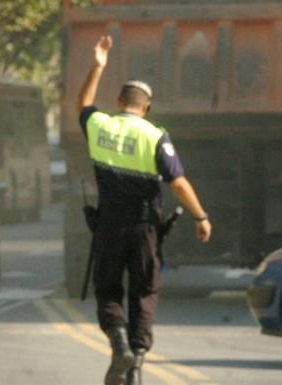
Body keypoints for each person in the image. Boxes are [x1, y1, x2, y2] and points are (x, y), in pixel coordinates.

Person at [77, 36, 212, 385]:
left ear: (118, 101)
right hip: (144, 229)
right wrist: (200, 216)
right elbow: (178, 183)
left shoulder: (100, 126)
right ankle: (135, 362)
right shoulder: (155, 135)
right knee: (144, 292)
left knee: (108, 290)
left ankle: (118, 342)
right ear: (147, 107)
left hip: (108, 226)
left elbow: (83, 103)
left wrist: (98, 64)